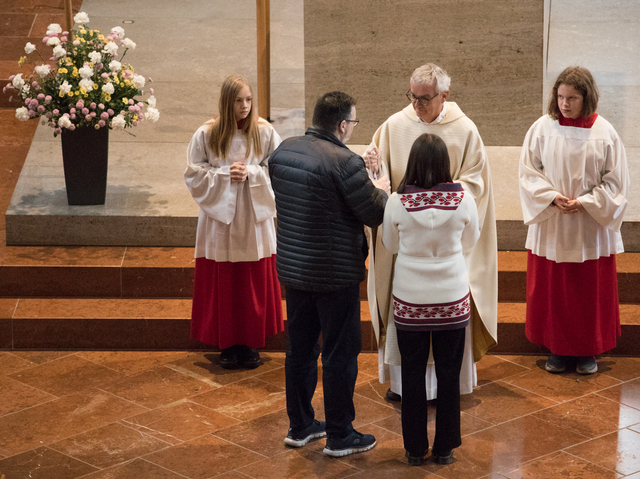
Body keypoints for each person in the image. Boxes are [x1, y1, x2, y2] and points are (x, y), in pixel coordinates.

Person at [365, 63, 497, 402]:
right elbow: (380, 182)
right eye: (412, 96)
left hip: (443, 252)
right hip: (410, 253)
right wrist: (374, 171)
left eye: (424, 98)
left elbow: (476, 185)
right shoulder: (393, 126)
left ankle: (445, 389)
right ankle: (404, 388)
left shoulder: (465, 130)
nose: (416, 105)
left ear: (444, 95)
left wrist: (432, 204)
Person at [269, 91, 389, 457]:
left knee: (300, 350)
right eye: (353, 122)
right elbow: (375, 213)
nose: (352, 128)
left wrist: (359, 174)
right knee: (339, 354)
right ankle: (340, 435)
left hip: (295, 270)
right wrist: (379, 185)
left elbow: (314, 197)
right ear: (342, 125)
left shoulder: (284, 151)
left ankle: (300, 426)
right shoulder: (345, 161)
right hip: (335, 274)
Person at [519, 66, 629, 374]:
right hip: (553, 221)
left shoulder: (604, 132)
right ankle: (557, 349)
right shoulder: (542, 128)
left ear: (587, 97)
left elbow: (616, 183)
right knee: (554, 289)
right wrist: (551, 197)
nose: (565, 104)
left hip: (589, 224)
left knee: (587, 291)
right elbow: (528, 173)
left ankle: (586, 351)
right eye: (560, 97)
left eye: (572, 98)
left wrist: (586, 202)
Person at [383, 133, 479, 466]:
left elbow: (390, 245)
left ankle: (414, 449)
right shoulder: (464, 198)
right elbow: (471, 240)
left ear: (412, 162)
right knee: (449, 374)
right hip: (451, 297)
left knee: (412, 374)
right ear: (444, 163)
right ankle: (445, 448)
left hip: (410, 298)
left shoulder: (397, 202)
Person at [184, 74, 284, 369]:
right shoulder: (207, 133)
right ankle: (226, 343)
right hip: (220, 219)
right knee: (225, 281)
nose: (245, 106)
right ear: (227, 102)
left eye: (249, 100)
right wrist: (225, 175)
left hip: (253, 216)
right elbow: (193, 173)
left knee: (252, 278)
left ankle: (251, 342)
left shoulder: (264, 131)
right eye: (239, 101)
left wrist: (251, 173)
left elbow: (280, 167)